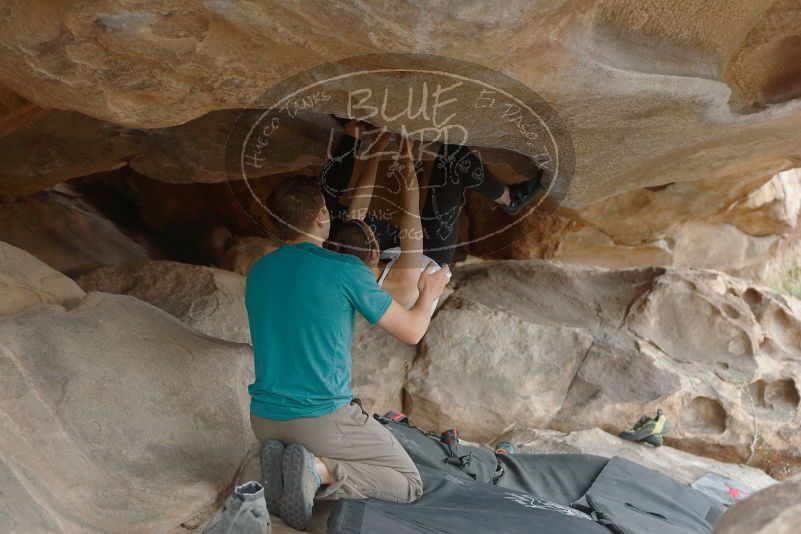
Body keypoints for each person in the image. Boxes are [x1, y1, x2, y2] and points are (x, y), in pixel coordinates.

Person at [245, 174, 451, 531]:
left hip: (263, 419)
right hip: (320, 420)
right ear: (322, 216)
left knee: (326, 438)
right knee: (408, 481)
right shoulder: (345, 271)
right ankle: (315, 471)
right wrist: (429, 291)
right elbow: (413, 331)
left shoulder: (259, 271)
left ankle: (283, 467)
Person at [326, 121, 544, 307]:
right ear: (373, 252)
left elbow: (360, 200)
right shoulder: (401, 285)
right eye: (371, 236)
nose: (371, 230)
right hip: (428, 259)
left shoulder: (345, 258)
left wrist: (378, 147)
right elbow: (409, 214)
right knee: (452, 157)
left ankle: (352, 130)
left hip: (390, 255)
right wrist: (405, 155)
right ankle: (511, 199)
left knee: (335, 215)